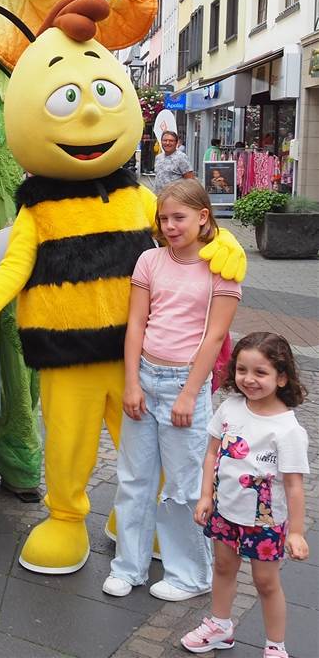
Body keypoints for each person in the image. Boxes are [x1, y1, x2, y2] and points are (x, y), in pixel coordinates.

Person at [103, 180, 241, 602]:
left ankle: (189, 573)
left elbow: (215, 336)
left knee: (182, 487)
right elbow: (136, 325)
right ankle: (129, 566)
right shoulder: (150, 260)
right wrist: (130, 382)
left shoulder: (221, 267)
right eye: (164, 218)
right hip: (145, 378)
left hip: (185, 384)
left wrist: (189, 394)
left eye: (179, 218)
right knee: (134, 479)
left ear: (203, 217)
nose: (170, 226)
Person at [181, 333, 309, 658]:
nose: (249, 380)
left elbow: (294, 485)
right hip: (225, 511)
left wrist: (295, 531)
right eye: (242, 370)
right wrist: (205, 497)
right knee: (223, 567)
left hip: (265, 522)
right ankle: (220, 627)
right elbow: (212, 454)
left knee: (266, 583)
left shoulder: (288, 430)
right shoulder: (229, 408)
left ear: (282, 377)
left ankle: (276, 646)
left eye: (260, 373)